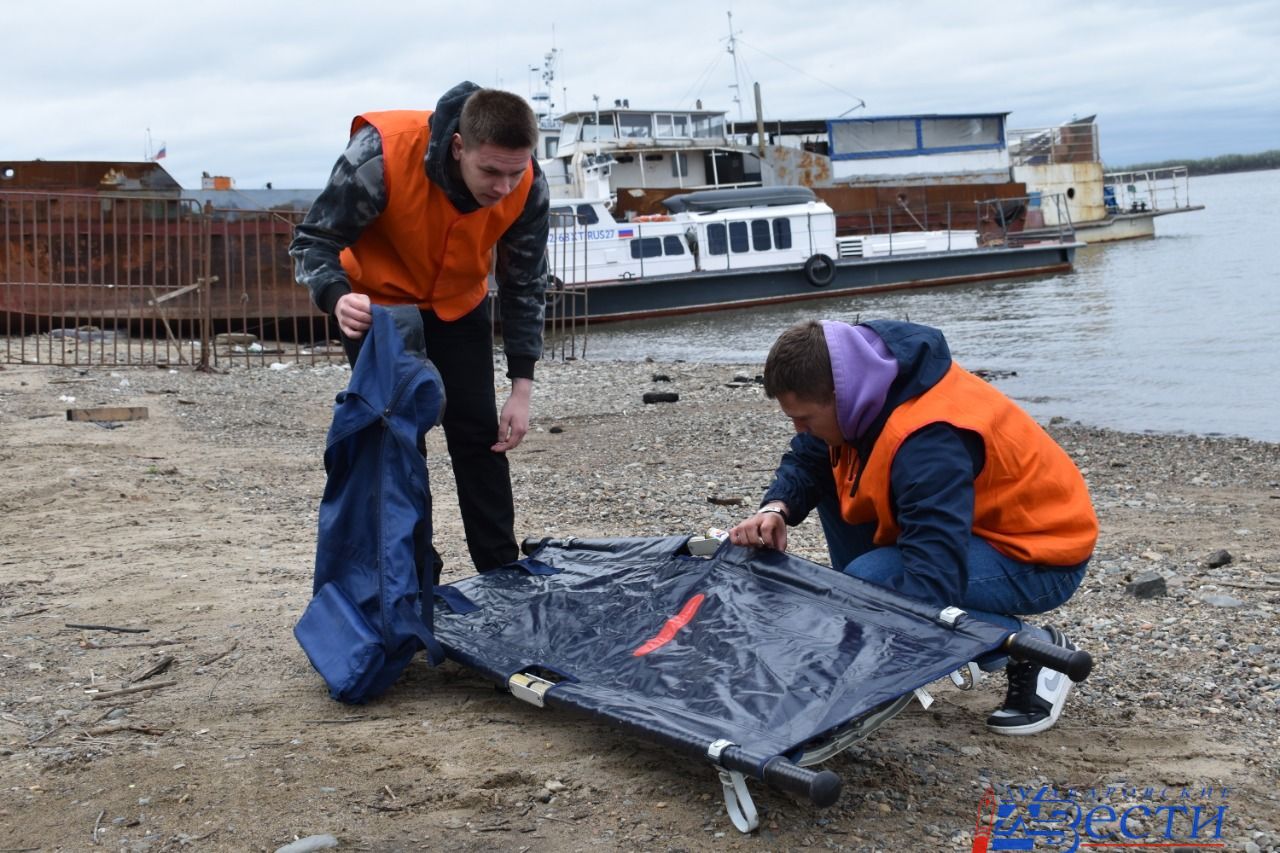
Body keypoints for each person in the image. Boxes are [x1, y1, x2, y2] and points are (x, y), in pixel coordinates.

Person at [729, 319, 1098, 736]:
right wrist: (775, 509)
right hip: (968, 527)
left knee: (873, 584)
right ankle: (875, 610)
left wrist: (861, 671)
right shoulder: (864, 385)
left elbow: (932, 580)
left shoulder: (929, 440)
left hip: (1040, 552)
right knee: (861, 572)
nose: (798, 428)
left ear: (841, 395)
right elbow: (808, 457)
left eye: (805, 417)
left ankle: (1033, 650)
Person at [290, 81, 549, 577]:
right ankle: (412, 578)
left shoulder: (527, 183)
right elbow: (314, 240)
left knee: (480, 437)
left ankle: (501, 575)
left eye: (513, 173)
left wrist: (521, 387)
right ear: (458, 147)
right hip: (378, 309)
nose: (502, 188)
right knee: (397, 444)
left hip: (458, 305)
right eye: (490, 171)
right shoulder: (381, 154)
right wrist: (337, 297)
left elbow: (525, 284)